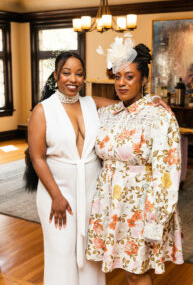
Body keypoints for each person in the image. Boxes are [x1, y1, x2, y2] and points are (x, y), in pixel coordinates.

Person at [27, 50, 169, 285]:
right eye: (67, 73)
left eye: (79, 74)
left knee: (91, 252)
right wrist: (56, 195)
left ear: (84, 78)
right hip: (57, 192)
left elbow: (129, 106)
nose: (73, 79)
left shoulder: (92, 104)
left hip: (93, 192)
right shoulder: (42, 110)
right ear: (56, 75)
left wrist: (153, 100)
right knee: (61, 251)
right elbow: (38, 158)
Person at [86, 38, 184, 285]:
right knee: (123, 268)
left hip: (141, 206)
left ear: (143, 80)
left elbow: (168, 171)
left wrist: (156, 220)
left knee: (136, 270)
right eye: (117, 76)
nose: (121, 83)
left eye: (129, 77)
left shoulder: (159, 116)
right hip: (110, 203)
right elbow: (77, 103)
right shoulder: (107, 114)